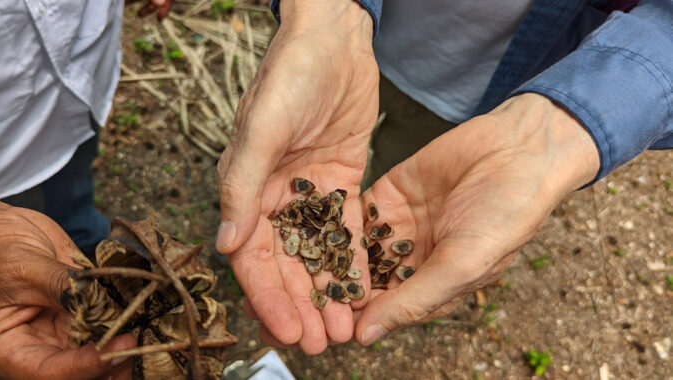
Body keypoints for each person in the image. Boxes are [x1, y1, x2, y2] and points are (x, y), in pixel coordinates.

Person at [216, 0, 673, 354]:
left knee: (400, 185)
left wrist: (558, 130)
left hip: (495, 96)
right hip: (365, 39)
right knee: (378, 187)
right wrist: (327, 19)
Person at [0, 0, 171, 378]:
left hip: (83, 76)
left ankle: (87, 230)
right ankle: (88, 242)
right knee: (36, 225)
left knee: (75, 189)